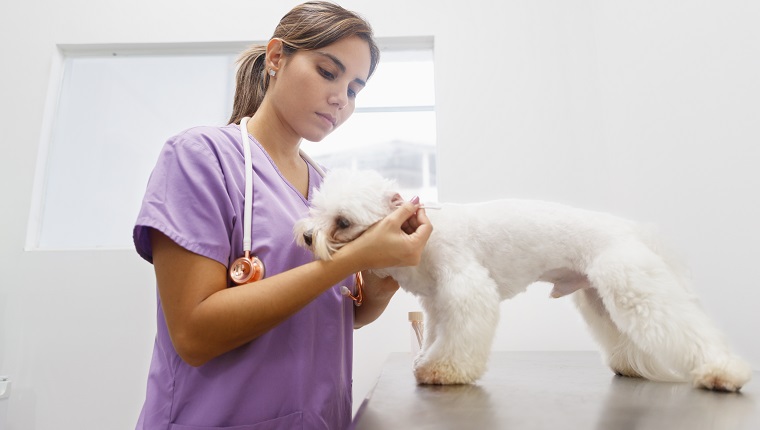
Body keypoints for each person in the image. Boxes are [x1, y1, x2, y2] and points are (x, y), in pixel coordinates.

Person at [132, 2, 432, 429]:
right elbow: (194, 335)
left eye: (353, 90)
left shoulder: (327, 189)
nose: (340, 99)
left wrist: (384, 278)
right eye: (328, 72)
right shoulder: (201, 158)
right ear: (276, 58)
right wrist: (353, 258)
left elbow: (339, 311)